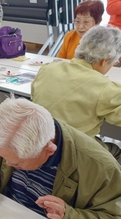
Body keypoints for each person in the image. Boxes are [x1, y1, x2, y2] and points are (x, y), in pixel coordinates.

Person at [31, 25, 121, 158]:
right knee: (115, 152)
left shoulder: (47, 69)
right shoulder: (104, 88)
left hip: (40, 145)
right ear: (105, 60)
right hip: (76, 154)